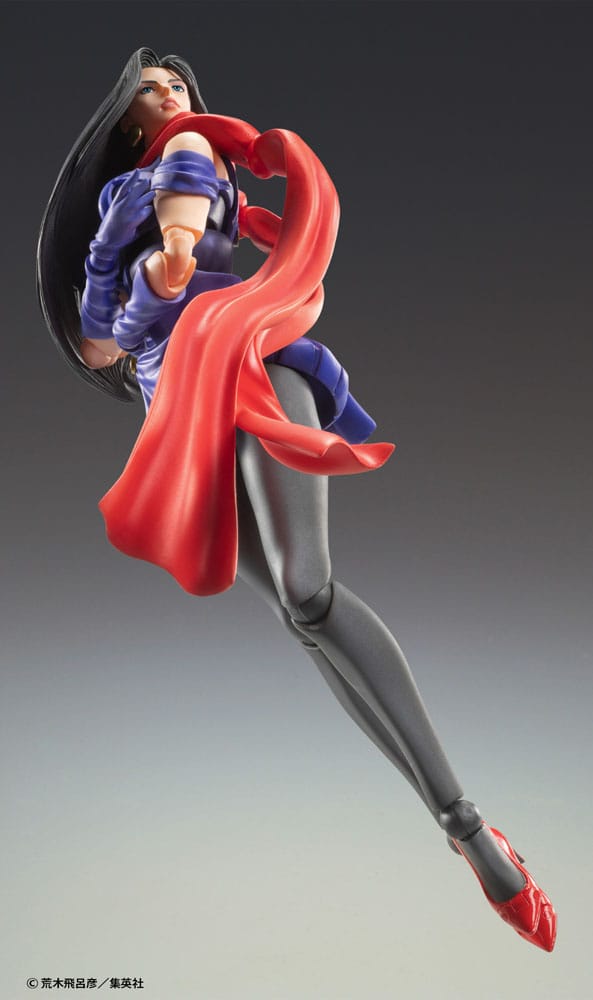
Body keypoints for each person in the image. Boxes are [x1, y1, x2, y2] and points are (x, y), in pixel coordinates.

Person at [37, 47, 556, 952]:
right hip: (179, 415)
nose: (172, 97)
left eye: (178, 85)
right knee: (298, 615)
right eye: (152, 92)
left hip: (250, 370)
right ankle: (463, 831)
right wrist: (139, 288)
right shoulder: (121, 197)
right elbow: (97, 342)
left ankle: (471, 830)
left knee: (309, 592)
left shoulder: (190, 157)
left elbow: (186, 199)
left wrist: (177, 250)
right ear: (124, 122)